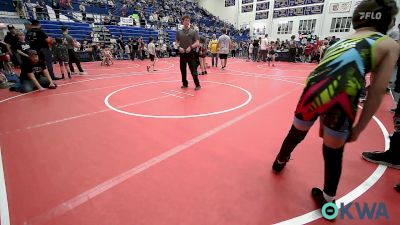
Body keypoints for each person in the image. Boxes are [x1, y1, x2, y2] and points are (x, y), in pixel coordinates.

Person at [272, 0, 399, 209]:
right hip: (342, 94)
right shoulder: (388, 44)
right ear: (387, 19)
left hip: (313, 88)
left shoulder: (339, 40)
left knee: (296, 132)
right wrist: (358, 128)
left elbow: (321, 68)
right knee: (333, 150)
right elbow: (376, 90)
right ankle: (328, 198)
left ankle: (279, 161)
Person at [176, 15, 201, 90]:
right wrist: (178, 47)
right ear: (183, 21)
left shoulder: (193, 32)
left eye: (188, 20)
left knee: (193, 69)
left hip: (191, 54)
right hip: (182, 54)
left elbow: (197, 43)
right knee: (182, 69)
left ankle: (197, 85)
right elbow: (177, 42)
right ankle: (185, 84)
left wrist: (191, 47)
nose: (187, 22)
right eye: (186, 20)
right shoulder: (179, 32)